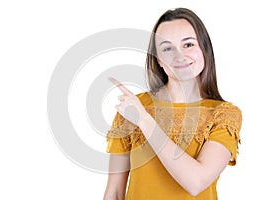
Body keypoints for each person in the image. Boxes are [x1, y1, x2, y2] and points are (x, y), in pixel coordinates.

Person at [103, 8, 242, 200]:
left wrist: (144, 120)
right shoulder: (133, 107)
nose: (179, 56)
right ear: (159, 59)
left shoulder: (224, 114)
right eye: (167, 48)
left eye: (188, 44)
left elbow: (196, 182)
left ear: (204, 49)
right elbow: (114, 193)